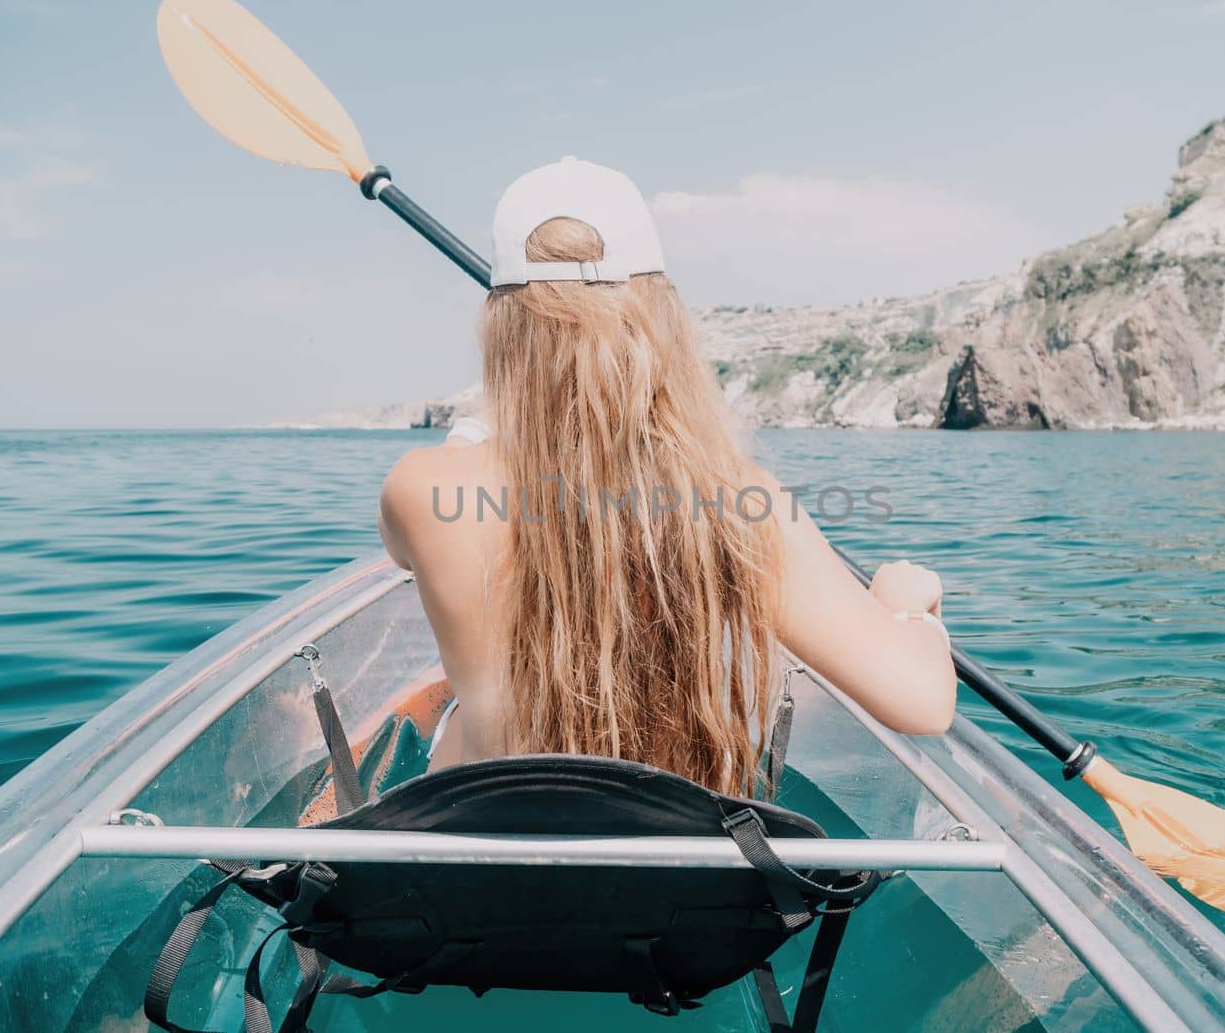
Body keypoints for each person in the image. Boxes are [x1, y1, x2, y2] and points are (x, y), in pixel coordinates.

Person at [378, 157, 954, 796]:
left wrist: (483, 428)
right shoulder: (740, 500)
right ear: (660, 319)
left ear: (503, 329)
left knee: (454, 718)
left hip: (490, 865)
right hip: (672, 879)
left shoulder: (422, 489)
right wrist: (906, 608)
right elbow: (924, 706)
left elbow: (405, 551)